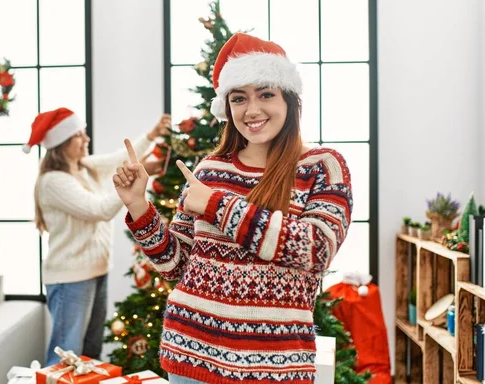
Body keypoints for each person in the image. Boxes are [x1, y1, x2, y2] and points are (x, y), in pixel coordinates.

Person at [113, 33, 354, 383]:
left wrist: (216, 205)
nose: (251, 110)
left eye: (266, 94)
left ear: (289, 100)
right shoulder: (209, 170)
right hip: (191, 357)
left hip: (275, 367)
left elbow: (315, 248)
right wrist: (138, 205)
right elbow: (178, 267)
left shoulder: (323, 166)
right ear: (227, 107)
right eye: (239, 98)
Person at [23, 107, 170, 366]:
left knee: (90, 353)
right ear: (61, 143)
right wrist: (132, 183)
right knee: (65, 357)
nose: (86, 139)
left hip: (95, 271)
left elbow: (119, 158)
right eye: (79, 135)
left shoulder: (84, 168)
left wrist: (151, 135)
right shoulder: (53, 181)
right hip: (71, 279)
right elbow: (99, 210)